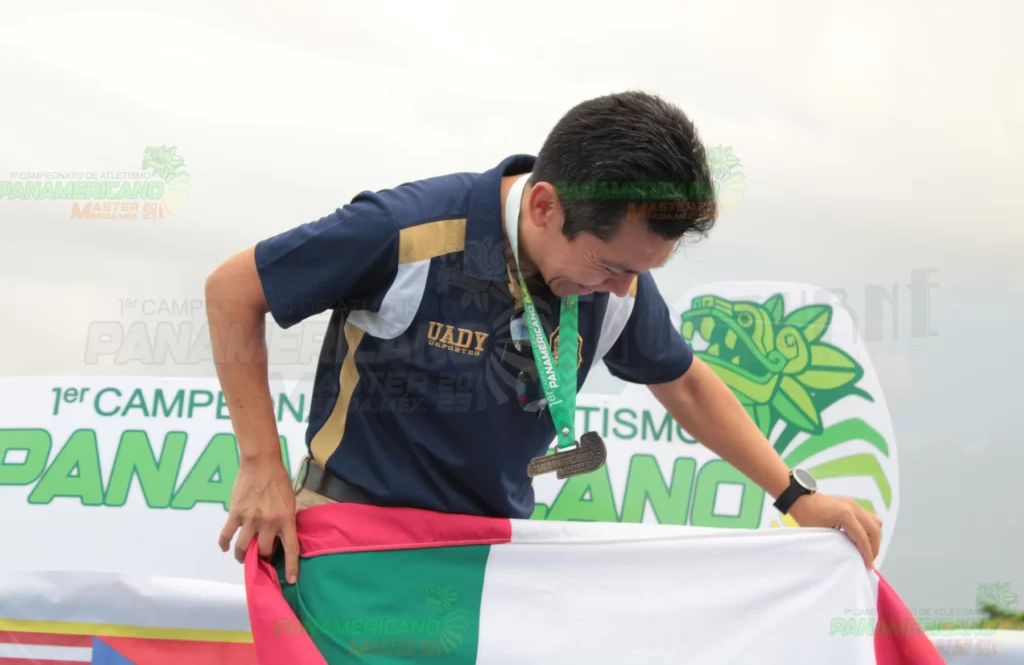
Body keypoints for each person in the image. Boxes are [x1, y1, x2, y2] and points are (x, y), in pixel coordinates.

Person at [205, 90, 883, 587]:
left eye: (642, 272)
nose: (625, 290)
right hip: (356, 538)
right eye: (612, 267)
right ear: (543, 206)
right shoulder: (406, 230)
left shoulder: (617, 282)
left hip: (493, 559)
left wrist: (796, 495)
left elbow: (685, 385)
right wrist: (260, 462)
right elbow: (233, 290)